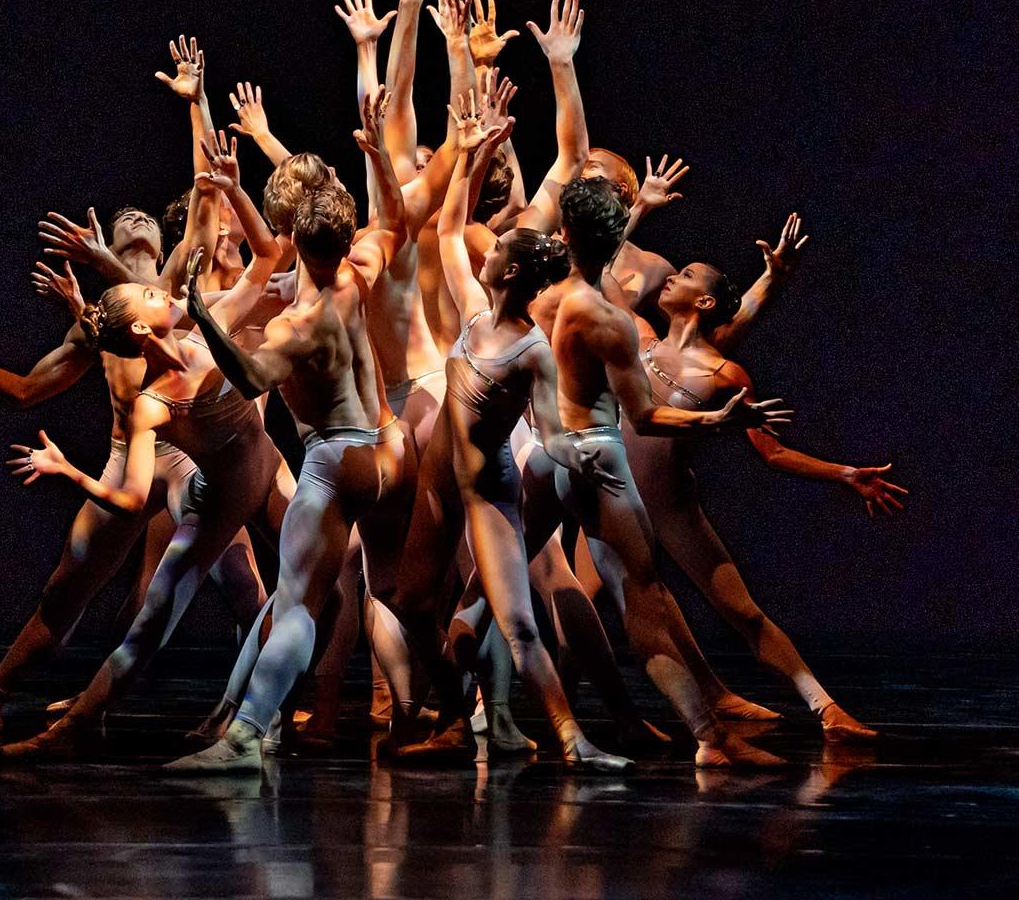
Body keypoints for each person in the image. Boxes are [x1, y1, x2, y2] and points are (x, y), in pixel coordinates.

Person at [0, 128, 289, 760]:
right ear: (140, 324)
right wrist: (67, 470)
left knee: (300, 585)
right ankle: (71, 729)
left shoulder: (199, 327)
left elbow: (249, 249)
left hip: (262, 471)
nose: (166, 288)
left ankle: (250, 716)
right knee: (151, 621)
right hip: (217, 497)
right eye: (154, 293)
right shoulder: (153, 405)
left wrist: (217, 164)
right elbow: (130, 499)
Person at [388, 79, 633, 769]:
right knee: (408, 600)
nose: (484, 250)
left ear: (512, 271)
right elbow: (443, 226)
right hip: (440, 473)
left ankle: (570, 738)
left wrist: (580, 468)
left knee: (520, 626)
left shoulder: (531, 352)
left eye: (498, 251)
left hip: (485, 488)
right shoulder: (472, 307)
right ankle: (451, 709)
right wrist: (475, 149)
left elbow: (554, 434)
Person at [526, 163, 794, 768]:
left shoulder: (543, 297)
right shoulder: (611, 317)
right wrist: (713, 422)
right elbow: (644, 417)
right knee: (642, 599)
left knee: (491, 591)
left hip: (545, 456)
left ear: (564, 233)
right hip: (595, 457)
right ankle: (708, 735)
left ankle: (459, 717)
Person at [170, 167, 418, 772]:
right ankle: (429, 714)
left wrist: (204, 316)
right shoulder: (360, 270)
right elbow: (397, 223)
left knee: (298, 605)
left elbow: (253, 376)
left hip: (336, 461)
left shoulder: (295, 327)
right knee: (390, 595)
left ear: (298, 245)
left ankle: (246, 732)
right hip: (390, 451)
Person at [625, 258, 906, 742]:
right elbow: (592, 271)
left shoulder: (724, 374)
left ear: (705, 303)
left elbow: (773, 454)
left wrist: (845, 474)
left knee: (743, 613)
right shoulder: (636, 336)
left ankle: (826, 707)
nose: (670, 277)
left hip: (672, 506)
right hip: (616, 500)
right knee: (584, 597)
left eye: (686, 276)